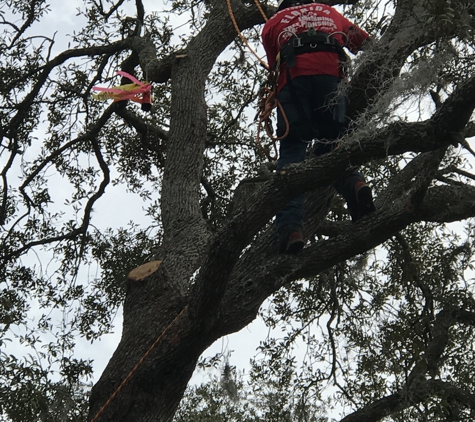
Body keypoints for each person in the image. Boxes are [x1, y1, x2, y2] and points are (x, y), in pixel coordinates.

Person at [261, 0, 376, 254]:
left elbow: (273, 68)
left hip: (293, 77)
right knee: (331, 143)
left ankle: (291, 228)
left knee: (292, 151)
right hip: (329, 75)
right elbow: (366, 44)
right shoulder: (329, 11)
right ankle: (356, 185)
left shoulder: (272, 24)